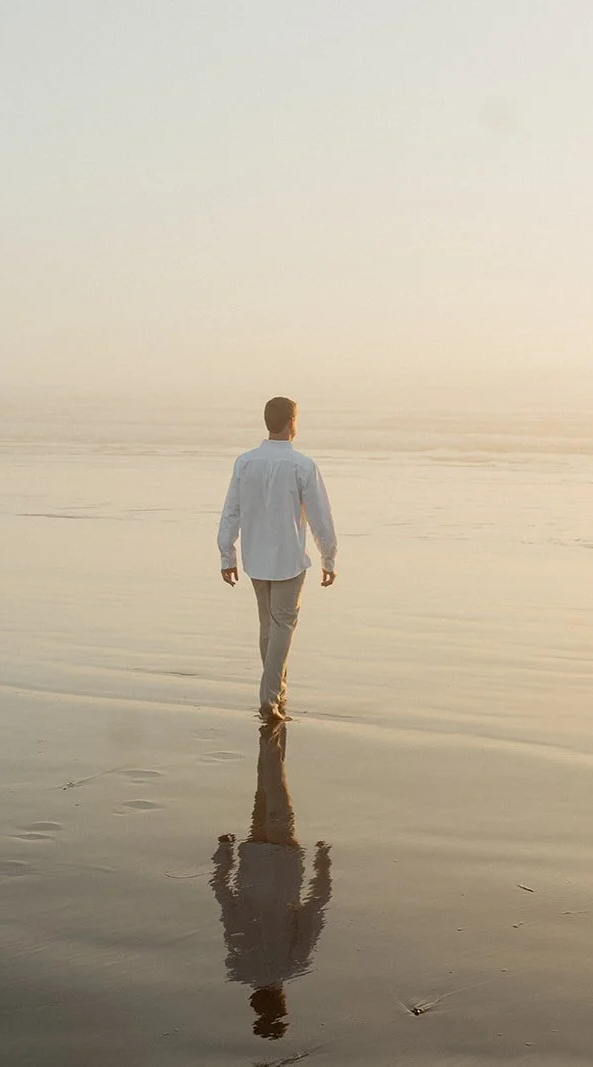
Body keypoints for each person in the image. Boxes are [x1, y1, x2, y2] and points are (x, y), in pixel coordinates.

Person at [217, 396, 338, 721]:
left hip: (255, 557)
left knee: (269, 626)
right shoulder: (302, 465)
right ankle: (269, 699)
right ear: (291, 422)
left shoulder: (245, 462)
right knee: (282, 625)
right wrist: (329, 558)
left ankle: (278, 692)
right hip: (288, 559)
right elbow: (320, 518)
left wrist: (226, 553)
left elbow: (231, 511)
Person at [211, 719, 333, 1041]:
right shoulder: (240, 962)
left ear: (282, 1002)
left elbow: (314, 908)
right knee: (264, 788)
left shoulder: (293, 965)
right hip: (252, 860)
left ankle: (272, 726)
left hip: (283, 860)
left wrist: (324, 862)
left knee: (275, 784)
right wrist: (225, 854)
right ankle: (270, 727)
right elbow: (226, 902)